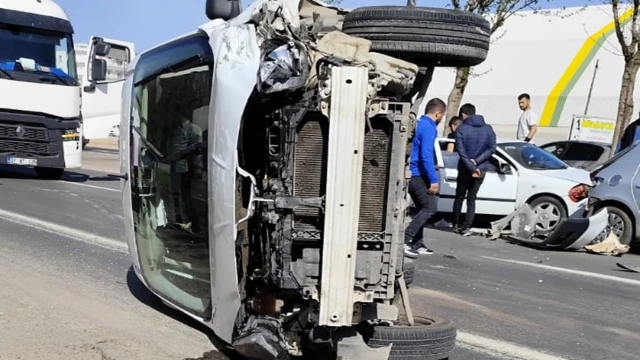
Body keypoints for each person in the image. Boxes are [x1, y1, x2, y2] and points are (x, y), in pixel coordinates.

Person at [404, 98, 447, 258]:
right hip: (419, 174)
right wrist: (433, 179)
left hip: (414, 171)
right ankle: (407, 239)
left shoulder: (420, 122)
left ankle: (417, 242)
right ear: (438, 113)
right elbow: (426, 155)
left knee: (423, 207)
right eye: (442, 116)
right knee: (430, 207)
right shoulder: (429, 127)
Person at [452, 103, 496, 236]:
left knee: (459, 197)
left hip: (465, 168)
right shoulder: (488, 129)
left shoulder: (461, 129)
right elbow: (492, 149)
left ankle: (455, 224)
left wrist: (471, 166)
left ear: (463, 115)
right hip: (481, 168)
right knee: (472, 198)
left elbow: (461, 152)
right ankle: (467, 226)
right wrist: (477, 163)